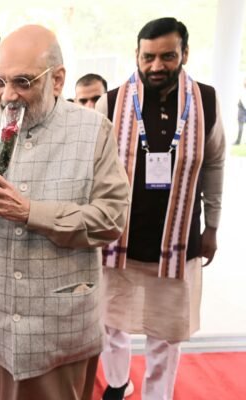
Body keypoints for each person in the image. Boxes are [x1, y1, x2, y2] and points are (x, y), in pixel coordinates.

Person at [0, 24, 130, 400]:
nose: (8, 95)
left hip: (61, 330)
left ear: (57, 80)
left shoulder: (94, 132)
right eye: (0, 82)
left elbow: (111, 219)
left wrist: (30, 213)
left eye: (23, 82)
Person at [96, 17, 226, 400]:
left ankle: (158, 395)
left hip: (178, 243)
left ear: (185, 53)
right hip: (120, 240)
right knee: (110, 322)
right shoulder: (111, 102)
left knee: (166, 334)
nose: (156, 66)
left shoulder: (206, 101)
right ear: (136, 55)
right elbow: (94, 171)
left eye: (167, 56)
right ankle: (117, 383)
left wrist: (212, 226)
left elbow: (215, 164)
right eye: (148, 57)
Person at [236, 77, 246, 145]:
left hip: (243, 109)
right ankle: (238, 141)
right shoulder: (242, 90)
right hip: (242, 109)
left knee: (241, 126)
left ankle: (238, 141)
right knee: (240, 127)